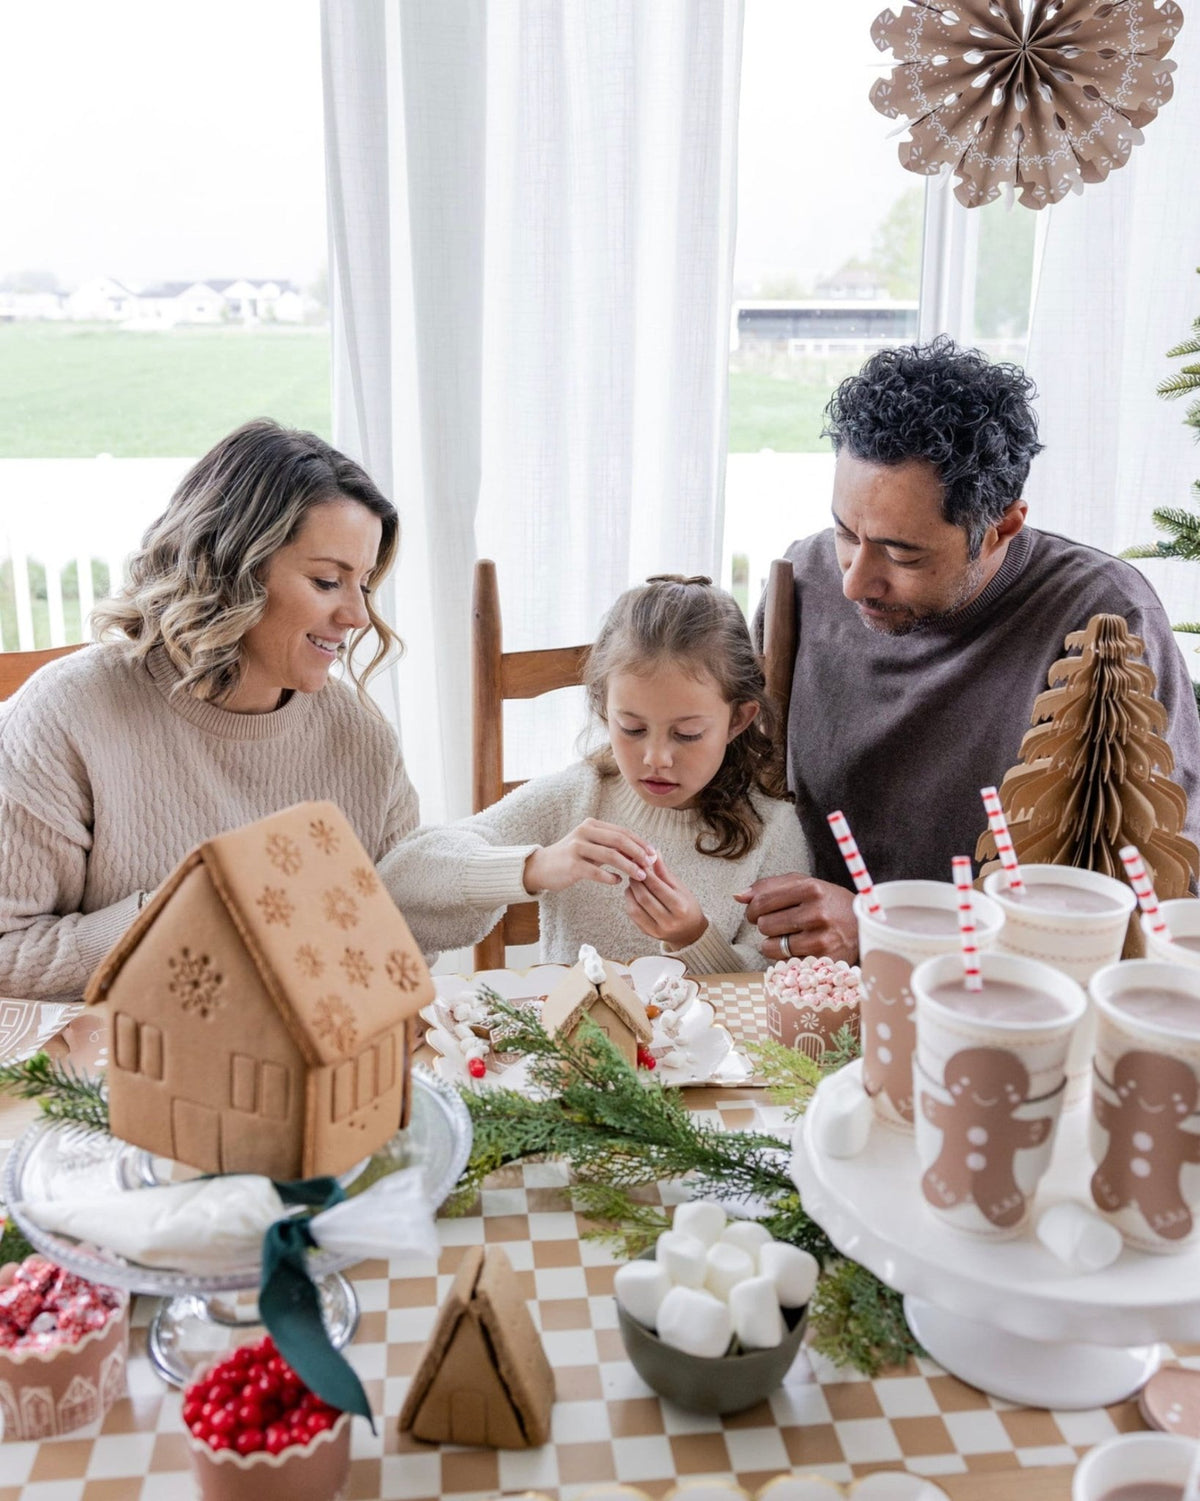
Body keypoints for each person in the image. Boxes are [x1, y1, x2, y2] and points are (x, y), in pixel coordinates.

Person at [739, 337, 1200, 965]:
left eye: (903, 554)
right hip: (799, 981)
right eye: (846, 532)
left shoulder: (1108, 620)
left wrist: (884, 931)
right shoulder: (804, 580)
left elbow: (1159, 900)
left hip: (1003, 996)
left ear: (1002, 526)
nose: (853, 581)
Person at [0, 419, 423, 1001]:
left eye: (366, 585)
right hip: (107, 1074)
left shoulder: (360, 739)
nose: (358, 616)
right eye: (328, 581)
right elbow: (7, 951)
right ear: (230, 570)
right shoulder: (68, 715)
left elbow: (399, 933)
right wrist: (178, 915)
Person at [384, 576, 811, 970]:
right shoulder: (577, 799)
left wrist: (693, 939)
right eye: (632, 729)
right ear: (603, 707)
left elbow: (781, 991)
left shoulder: (772, 829)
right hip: (569, 1050)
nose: (655, 757)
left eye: (687, 734)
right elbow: (399, 885)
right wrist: (535, 866)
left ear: (738, 720)